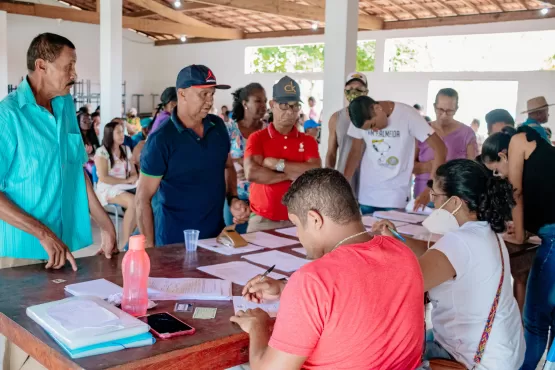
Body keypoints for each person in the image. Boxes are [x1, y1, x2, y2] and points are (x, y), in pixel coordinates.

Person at [0, 32, 117, 369]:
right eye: (68, 66)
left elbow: (76, 172)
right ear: (41, 65)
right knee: (17, 342)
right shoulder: (9, 117)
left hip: (60, 249)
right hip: (19, 252)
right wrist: (42, 233)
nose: (74, 74)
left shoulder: (65, 107)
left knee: (54, 336)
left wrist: (105, 223)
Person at [230, 168, 425, 370]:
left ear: (315, 219)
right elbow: (358, 293)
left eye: (296, 225)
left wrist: (257, 326)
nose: (298, 235)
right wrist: (285, 288)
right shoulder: (402, 252)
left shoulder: (312, 280)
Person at [374, 159, 525, 369]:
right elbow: (435, 255)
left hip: (475, 359)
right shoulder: (483, 231)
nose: (432, 203)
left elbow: (404, 286)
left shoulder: (460, 242)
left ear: (454, 202)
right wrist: (397, 238)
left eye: (435, 196)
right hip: (502, 349)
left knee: (381, 354)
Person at [137, 65, 250, 248]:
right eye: (203, 94)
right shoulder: (161, 139)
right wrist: (149, 248)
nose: (209, 101)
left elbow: (227, 166)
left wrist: (233, 199)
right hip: (173, 241)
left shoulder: (218, 127)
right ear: (182, 94)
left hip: (215, 237)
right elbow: (142, 199)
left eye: (212, 94)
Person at [481, 127, 555, 369]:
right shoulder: (537, 145)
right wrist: (524, 229)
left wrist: (521, 234)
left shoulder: (517, 141)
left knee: (534, 321)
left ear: (504, 154)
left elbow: (517, 193)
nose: (498, 174)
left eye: (496, 168)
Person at [345, 95, 446, 214]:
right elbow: (355, 153)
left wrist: (430, 188)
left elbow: (440, 148)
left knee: (391, 231)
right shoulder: (359, 117)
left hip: (395, 197)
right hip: (367, 196)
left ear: (377, 108)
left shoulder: (408, 115)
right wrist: (343, 185)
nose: (375, 130)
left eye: (373, 125)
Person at [244, 76, 321, 233]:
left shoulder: (308, 141)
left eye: (294, 106)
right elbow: (252, 173)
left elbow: (314, 173)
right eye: (284, 105)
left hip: (300, 222)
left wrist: (278, 164)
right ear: (272, 105)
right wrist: (293, 174)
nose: (290, 112)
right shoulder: (258, 138)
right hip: (262, 221)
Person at [413, 88, 477, 199]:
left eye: (449, 111)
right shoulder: (421, 130)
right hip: (422, 196)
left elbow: (472, 171)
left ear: (456, 109)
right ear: (434, 106)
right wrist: (431, 166)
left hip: (453, 198)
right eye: (440, 110)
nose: (443, 115)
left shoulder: (467, 133)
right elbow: (408, 167)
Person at [224, 83, 268, 234]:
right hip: (235, 200)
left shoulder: (269, 131)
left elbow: (280, 162)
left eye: (265, 101)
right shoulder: (229, 130)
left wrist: (251, 165)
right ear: (245, 104)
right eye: (258, 101)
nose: (263, 105)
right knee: (234, 245)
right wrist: (236, 163)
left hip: (263, 199)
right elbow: (219, 161)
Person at [94, 121, 138, 245]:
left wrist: (133, 178)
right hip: (108, 187)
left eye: (122, 132)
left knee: (143, 200)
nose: (122, 135)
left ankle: (133, 239)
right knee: (133, 202)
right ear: (109, 134)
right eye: (118, 132)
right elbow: (103, 178)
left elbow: (134, 172)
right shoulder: (101, 152)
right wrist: (126, 181)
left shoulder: (126, 149)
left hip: (125, 186)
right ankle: (125, 243)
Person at [325, 72, 368, 193]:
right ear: (345, 92)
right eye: (350, 89)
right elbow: (331, 153)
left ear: (366, 92)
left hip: (368, 180)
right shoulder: (336, 118)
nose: (354, 92)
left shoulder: (374, 116)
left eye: (359, 89)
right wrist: (328, 177)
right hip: (343, 180)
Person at [78, 111, 100, 176]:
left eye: (89, 120)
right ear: (78, 122)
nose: (87, 123)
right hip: (82, 167)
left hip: (94, 164)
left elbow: (97, 150)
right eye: (84, 121)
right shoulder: (77, 138)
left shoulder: (93, 137)